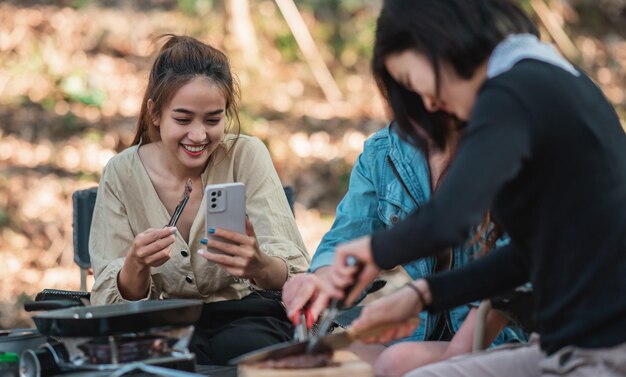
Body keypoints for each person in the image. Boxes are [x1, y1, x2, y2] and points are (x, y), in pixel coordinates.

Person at [324, 1, 626, 376]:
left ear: (437, 43)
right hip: (563, 343)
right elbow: (524, 258)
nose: (428, 102)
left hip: (604, 350)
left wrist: (373, 250)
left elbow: (449, 220)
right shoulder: (546, 80)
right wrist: (422, 295)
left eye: (409, 79)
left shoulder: (513, 91)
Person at [89, 34, 310, 365]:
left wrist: (260, 265)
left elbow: (296, 273)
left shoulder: (245, 156)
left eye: (212, 120)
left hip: (248, 315)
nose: (198, 135)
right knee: (169, 362)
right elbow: (111, 302)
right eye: (183, 119)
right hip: (160, 323)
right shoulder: (122, 173)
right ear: (155, 113)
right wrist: (135, 264)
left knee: (244, 353)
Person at [283, 121, 527, 377]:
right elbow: (347, 239)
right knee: (328, 359)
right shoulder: (384, 152)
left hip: (506, 335)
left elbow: (512, 272)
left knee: (395, 361)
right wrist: (321, 282)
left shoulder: (503, 149)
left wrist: (449, 359)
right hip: (426, 326)